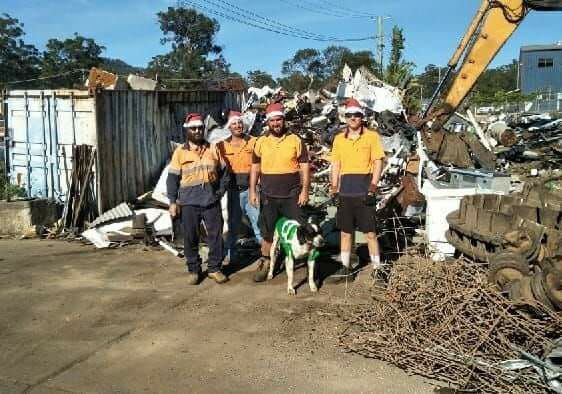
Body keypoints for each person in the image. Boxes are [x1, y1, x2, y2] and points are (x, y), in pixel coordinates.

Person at [249, 102, 310, 282]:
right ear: (268, 122)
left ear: (284, 120)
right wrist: (253, 190)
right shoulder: (260, 141)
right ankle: (266, 261)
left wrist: (305, 190)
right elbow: (255, 168)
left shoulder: (295, 140)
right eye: (272, 120)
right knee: (267, 231)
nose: (276, 123)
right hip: (268, 195)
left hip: (292, 194)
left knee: (300, 229)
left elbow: (305, 167)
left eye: (279, 119)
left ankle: (306, 262)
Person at [167, 113, 230, 285]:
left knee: (215, 236)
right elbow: (172, 179)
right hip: (188, 203)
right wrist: (173, 202)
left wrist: (219, 193)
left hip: (210, 201)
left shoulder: (213, 149)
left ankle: (214, 269)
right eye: (193, 128)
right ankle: (194, 270)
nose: (197, 131)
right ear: (187, 130)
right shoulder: (180, 152)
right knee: (190, 237)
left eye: (200, 128)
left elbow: (225, 173)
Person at [329, 98, 385, 281]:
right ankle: (345, 268)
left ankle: (378, 270)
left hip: (364, 191)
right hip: (345, 192)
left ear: (362, 117)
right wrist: (334, 188)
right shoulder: (338, 139)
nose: (353, 118)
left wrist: (373, 187)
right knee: (346, 232)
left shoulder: (372, 137)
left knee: (370, 232)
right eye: (349, 115)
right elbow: (335, 165)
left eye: (356, 115)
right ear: (345, 118)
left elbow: (378, 162)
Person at [217, 111, 263, 265]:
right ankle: (231, 256)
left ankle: (266, 256)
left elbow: (262, 163)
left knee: (257, 222)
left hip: (251, 190)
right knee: (233, 225)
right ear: (229, 127)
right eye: (234, 124)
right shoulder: (221, 146)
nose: (237, 126)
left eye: (239, 123)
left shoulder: (254, 141)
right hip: (232, 192)